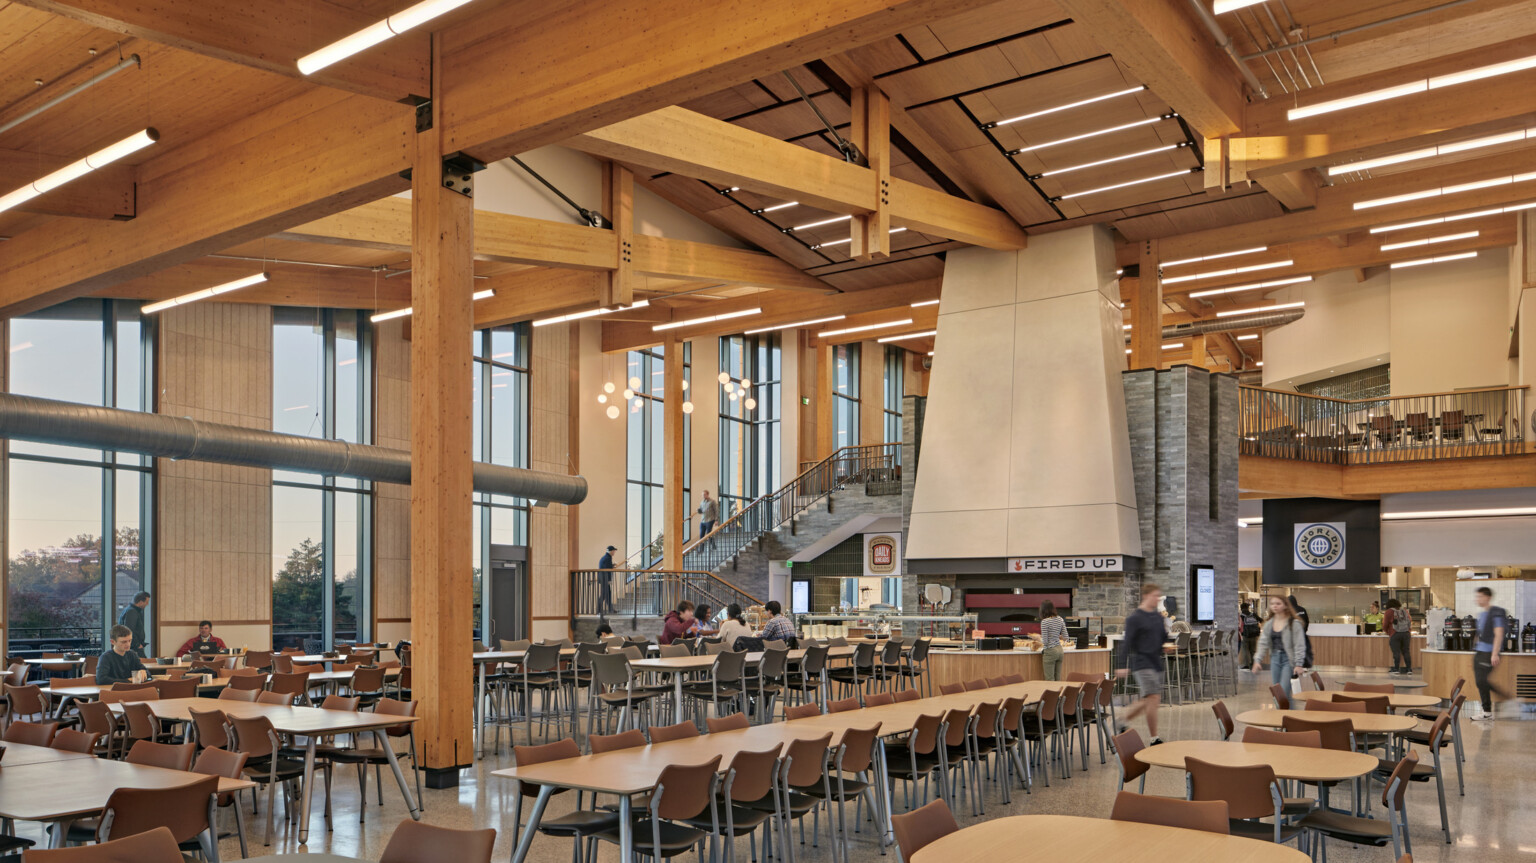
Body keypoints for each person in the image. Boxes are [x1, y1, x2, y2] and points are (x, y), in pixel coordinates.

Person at [1116, 583, 1171, 745]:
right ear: (1146, 596)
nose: (1157, 599)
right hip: (1142, 663)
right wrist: (1121, 664)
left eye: (1158, 596)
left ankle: (1122, 720)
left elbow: (1162, 637)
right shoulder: (1134, 618)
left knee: (1150, 699)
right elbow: (1127, 643)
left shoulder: (1158, 617)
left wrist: (1166, 645)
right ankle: (1154, 738)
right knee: (1153, 697)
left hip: (1156, 662)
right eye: (1155, 595)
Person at [1253, 595, 1306, 697]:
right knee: (1277, 691)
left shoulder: (1294, 623)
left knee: (1283, 692)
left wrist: (1299, 664)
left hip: (1288, 659)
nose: (1275, 606)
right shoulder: (1269, 623)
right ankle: (1284, 712)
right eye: (1272, 604)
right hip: (1275, 659)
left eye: (1278, 604)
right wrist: (1257, 660)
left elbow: (1300, 644)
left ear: (1285, 605)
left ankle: (1284, 712)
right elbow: (1263, 642)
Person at [1471, 586, 1510, 721]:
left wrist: (1495, 653)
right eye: (1477, 596)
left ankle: (1504, 699)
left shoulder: (1496, 612)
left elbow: (1499, 633)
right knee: (1480, 682)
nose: (1478, 599)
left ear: (1487, 597)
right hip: (1480, 651)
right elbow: (1480, 633)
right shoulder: (1482, 614)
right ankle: (1487, 711)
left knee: (1482, 681)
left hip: (1488, 652)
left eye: (1480, 596)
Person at [1038, 600, 1068, 681]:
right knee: (1058, 678)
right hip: (1060, 650)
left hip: (1050, 651)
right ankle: (1059, 694)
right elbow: (1066, 637)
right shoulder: (1060, 619)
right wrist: (1056, 635)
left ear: (1042, 610)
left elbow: (1045, 642)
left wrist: (1037, 638)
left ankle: (1052, 694)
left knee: (1049, 679)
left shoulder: (1045, 622)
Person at [1383, 599, 1412, 674]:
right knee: (1406, 651)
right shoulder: (1404, 610)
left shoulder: (1389, 611)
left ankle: (1396, 669)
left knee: (1396, 652)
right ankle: (1409, 669)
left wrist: (1388, 632)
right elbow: (1410, 620)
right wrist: (1408, 630)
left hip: (1395, 633)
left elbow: (1385, 624)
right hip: (1406, 633)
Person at [118, 591, 150, 656]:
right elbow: (129, 629)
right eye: (146, 602)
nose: (147, 604)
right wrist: (137, 644)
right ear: (140, 602)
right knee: (142, 664)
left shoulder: (131, 610)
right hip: (133, 647)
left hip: (131, 646)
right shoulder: (132, 612)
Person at [596, 545, 617, 616]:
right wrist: (609, 580)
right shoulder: (608, 558)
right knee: (605, 594)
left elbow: (607, 567)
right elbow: (607, 570)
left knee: (608, 594)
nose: (614, 552)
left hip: (603, 578)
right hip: (604, 579)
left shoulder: (606, 557)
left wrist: (612, 565)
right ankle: (598, 610)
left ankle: (610, 609)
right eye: (613, 551)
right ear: (610, 551)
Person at [1238, 603, 1261, 668]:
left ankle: (1246, 664)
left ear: (1241, 608)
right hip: (1254, 635)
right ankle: (1253, 664)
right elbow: (1261, 620)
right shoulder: (1253, 615)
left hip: (1245, 635)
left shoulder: (1241, 616)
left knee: (1245, 650)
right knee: (1253, 650)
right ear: (1247, 608)